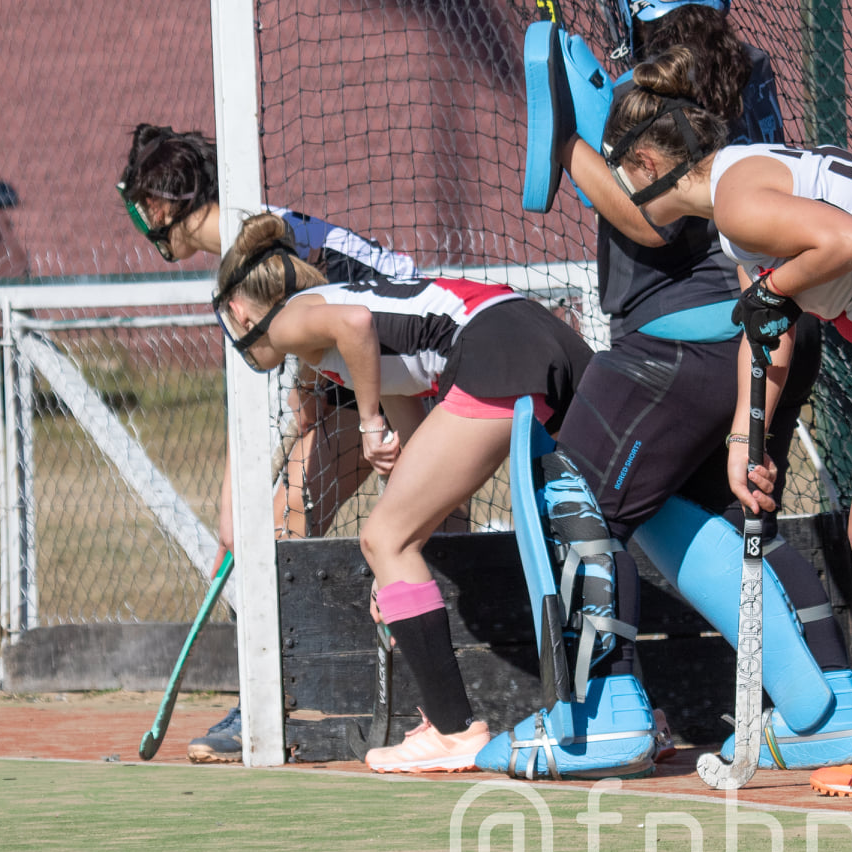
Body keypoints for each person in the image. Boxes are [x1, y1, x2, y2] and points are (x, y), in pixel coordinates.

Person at [474, 0, 852, 779]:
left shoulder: (644, 91)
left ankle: (601, 712)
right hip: (771, 337)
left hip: (681, 346)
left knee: (572, 494)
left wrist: (573, 139)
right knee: (714, 518)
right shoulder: (750, 74)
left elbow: (647, 219)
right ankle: (832, 706)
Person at [599, 46, 852, 797]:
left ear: (646, 161)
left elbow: (842, 246)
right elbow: (771, 324)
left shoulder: (737, 196)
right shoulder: (740, 195)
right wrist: (745, 439)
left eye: (619, 176)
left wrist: (774, 285)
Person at [212, 212, 592, 772]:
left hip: (493, 348)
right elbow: (418, 450)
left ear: (238, 309)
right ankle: (632, 714)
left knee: (383, 539)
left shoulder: (289, 322)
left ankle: (452, 730)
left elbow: (358, 324)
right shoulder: (360, 336)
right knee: (597, 519)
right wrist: (395, 583)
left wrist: (367, 425)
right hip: (542, 334)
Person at [117, 124, 416, 764]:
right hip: (363, 372)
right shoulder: (249, 240)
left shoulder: (253, 250)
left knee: (433, 539)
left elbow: (329, 317)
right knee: (283, 522)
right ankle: (267, 695)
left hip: (407, 365)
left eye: (143, 204)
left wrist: (247, 480)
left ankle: (443, 698)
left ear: (160, 205)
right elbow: (294, 361)